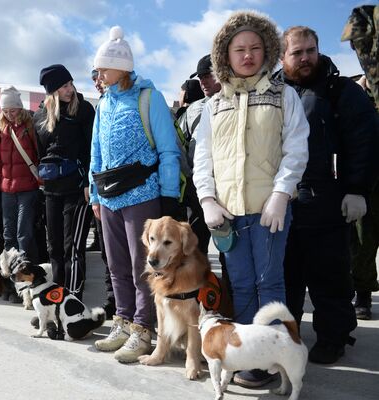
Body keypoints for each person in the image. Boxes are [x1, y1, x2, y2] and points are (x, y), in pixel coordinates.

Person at [192, 12, 309, 387]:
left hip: (268, 211)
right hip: (229, 213)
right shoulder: (213, 105)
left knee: (269, 282)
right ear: (225, 55)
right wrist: (208, 199)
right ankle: (247, 359)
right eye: (239, 49)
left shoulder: (283, 95)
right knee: (240, 284)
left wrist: (281, 193)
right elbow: (203, 158)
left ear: (267, 51)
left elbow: (295, 149)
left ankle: (275, 355)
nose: (247, 55)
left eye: (255, 48)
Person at [276, 26, 378, 364]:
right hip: (284, 204)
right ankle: (285, 335)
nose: (306, 58)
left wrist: (357, 190)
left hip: (329, 202)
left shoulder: (341, 90)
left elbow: (363, 141)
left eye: (311, 50)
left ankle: (333, 337)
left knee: (330, 277)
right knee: (286, 278)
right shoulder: (272, 92)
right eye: (297, 52)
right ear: (282, 57)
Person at [90, 26, 181, 363]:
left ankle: (144, 328)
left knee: (144, 264)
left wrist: (169, 198)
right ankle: (125, 321)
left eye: (102, 68)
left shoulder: (149, 98)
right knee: (115, 264)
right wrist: (94, 196)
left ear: (121, 67)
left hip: (142, 194)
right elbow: (95, 153)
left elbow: (169, 150)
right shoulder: (103, 104)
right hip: (109, 196)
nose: (98, 74)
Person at [34, 64, 94, 300]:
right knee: (54, 247)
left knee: (73, 248)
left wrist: (90, 181)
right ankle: (57, 297)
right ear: (52, 91)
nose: (70, 90)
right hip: (51, 190)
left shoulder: (84, 110)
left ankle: (73, 300)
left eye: (70, 84)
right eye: (63, 87)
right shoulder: (40, 115)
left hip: (78, 189)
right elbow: (41, 152)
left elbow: (91, 148)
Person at [341, 5, 379, 320]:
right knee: (362, 241)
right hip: (364, 177)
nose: (363, 54)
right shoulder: (353, 92)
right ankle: (363, 293)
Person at [181, 54, 222, 255]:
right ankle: (197, 286)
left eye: (208, 75)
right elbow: (181, 146)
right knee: (195, 249)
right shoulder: (192, 110)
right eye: (200, 77)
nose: (203, 81)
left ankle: (227, 287)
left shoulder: (236, 101)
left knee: (230, 252)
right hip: (198, 189)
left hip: (228, 187)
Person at [0, 86, 39, 261]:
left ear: (20, 107)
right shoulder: (0, 129)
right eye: (5, 111)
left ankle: (29, 272)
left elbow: (38, 154)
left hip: (28, 187)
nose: (9, 114)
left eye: (12, 110)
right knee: (8, 233)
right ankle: (13, 274)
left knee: (23, 233)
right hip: (7, 189)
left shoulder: (30, 125)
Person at [89, 68, 115, 319]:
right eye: (94, 78)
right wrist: (94, 193)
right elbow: (93, 155)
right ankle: (113, 299)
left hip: (129, 191)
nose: (97, 82)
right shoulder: (99, 108)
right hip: (102, 190)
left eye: (100, 76)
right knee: (109, 253)